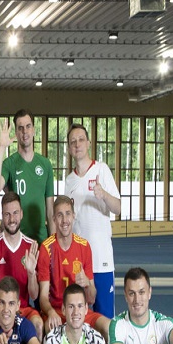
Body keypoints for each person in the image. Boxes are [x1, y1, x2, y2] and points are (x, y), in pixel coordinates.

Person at [64, 123, 121, 319]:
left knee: (105, 320)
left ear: (88, 143)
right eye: (73, 141)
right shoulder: (69, 181)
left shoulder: (101, 170)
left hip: (101, 261)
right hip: (79, 264)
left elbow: (118, 208)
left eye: (81, 140)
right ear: (69, 148)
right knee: (82, 319)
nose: (77, 144)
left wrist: (103, 194)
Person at [37, 195, 109, 338]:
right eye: (60, 215)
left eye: (68, 214)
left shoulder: (84, 246)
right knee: (49, 327)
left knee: (108, 327)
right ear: (54, 219)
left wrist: (87, 284)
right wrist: (50, 312)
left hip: (80, 311)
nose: (64, 220)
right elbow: (43, 297)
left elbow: (91, 299)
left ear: (74, 216)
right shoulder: (46, 248)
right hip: (57, 311)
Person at [0, 109, 54, 244]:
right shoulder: (9, 163)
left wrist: (53, 244)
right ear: (16, 133)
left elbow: (50, 211)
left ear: (34, 130)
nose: (25, 131)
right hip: (16, 240)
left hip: (41, 240)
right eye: (20, 128)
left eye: (28, 126)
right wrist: (2, 148)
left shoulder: (45, 164)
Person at [0, 191, 43, 337]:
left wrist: (31, 274)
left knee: (38, 324)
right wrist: (7, 310)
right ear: (2, 216)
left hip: (23, 308)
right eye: (7, 214)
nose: (12, 219)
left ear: (21, 214)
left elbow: (34, 295)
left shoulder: (31, 246)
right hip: (0, 308)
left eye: (15, 213)